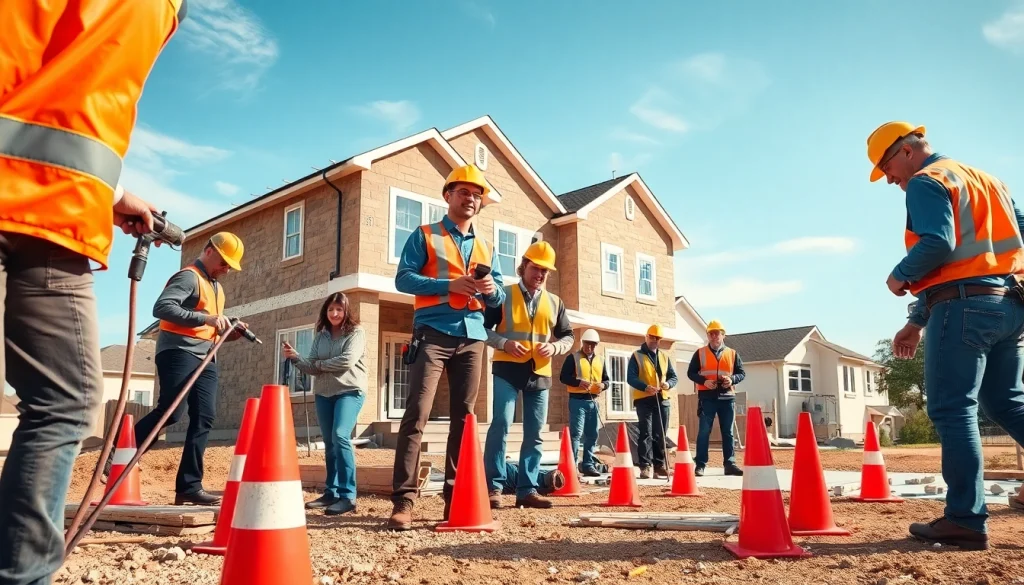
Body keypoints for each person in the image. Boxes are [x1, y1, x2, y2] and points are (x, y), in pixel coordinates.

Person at [0, 2, 187, 583]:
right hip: (39, 217)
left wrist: (112, 190)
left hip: (52, 212)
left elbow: (55, 100)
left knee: (63, 402)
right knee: (65, 401)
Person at [868, 120, 1024, 550]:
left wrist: (900, 276)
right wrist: (918, 319)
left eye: (887, 170)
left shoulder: (925, 180)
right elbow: (1004, 244)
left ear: (904, 152)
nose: (891, 181)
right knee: (1007, 403)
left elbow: (938, 243)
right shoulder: (988, 181)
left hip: (963, 308)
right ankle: (965, 517)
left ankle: (965, 520)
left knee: (953, 409)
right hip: (1009, 304)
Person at [388, 164, 505, 530]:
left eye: (477, 194)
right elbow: (403, 278)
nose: (471, 198)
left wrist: (491, 292)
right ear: (448, 196)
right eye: (464, 192)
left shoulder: (486, 245)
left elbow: (499, 292)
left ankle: (455, 500)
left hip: (473, 337)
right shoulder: (424, 235)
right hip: (433, 333)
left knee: (465, 419)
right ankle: (404, 501)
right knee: (417, 414)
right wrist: (448, 286)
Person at [105, 233, 248, 506]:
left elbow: (209, 329)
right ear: (208, 251)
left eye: (230, 265)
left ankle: (189, 487)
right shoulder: (189, 277)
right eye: (223, 262)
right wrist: (207, 318)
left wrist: (230, 332)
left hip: (206, 357)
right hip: (178, 352)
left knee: (204, 417)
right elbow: (162, 308)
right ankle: (117, 454)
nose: (226, 269)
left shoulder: (216, 287)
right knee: (172, 411)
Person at [483, 241, 574, 509]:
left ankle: (527, 489)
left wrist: (555, 347)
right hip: (507, 369)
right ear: (523, 266)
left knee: (535, 433)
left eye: (546, 271)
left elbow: (568, 337)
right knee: (501, 424)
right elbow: (482, 328)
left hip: (540, 374)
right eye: (536, 268)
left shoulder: (555, 302)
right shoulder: (502, 295)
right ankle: (494, 487)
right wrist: (504, 343)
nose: (540, 275)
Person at [285, 293, 367, 516]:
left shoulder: (356, 333)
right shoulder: (321, 335)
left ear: (346, 311)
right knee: (330, 442)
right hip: (323, 394)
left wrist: (318, 364)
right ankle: (331, 492)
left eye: (339, 309)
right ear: (326, 311)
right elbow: (311, 366)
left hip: (349, 391)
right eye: (331, 309)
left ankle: (348, 496)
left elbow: (346, 361)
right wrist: (295, 358)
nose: (334, 313)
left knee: (341, 435)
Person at [687, 320, 745, 477]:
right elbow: (691, 373)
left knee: (728, 432)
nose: (713, 336)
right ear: (707, 335)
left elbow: (741, 373)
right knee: (704, 431)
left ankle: (730, 464)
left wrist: (732, 380)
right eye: (710, 333)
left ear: (723, 335)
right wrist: (704, 381)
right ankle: (700, 464)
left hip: (728, 398)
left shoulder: (733, 354)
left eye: (716, 333)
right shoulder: (700, 353)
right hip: (707, 398)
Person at [626, 324, 678, 479]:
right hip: (644, 399)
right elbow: (631, 378)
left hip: (662, 399)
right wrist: (645, 387)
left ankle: (659, 465)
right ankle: (645, 466)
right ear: (646, 337)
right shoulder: (637, 356)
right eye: (652, 337)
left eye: (658, 338)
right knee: (646, 433)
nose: (655, 340)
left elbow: (673, 377)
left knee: (660, 433)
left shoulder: (664, 357)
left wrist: (668, 384)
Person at [559, 328, 610, 477]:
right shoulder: (572, 358)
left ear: (596, 345)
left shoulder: (601, 360)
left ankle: (588, 464)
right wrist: (577, 382)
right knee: (576, 434)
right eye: (587, 344)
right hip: (577, 401)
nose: (589, 347)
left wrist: (603, 385)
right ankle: (572, 465)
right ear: (583, 343)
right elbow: (563, 377)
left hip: (593, 401)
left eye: (593, 345)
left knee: (592, 434)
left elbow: (607, 379)